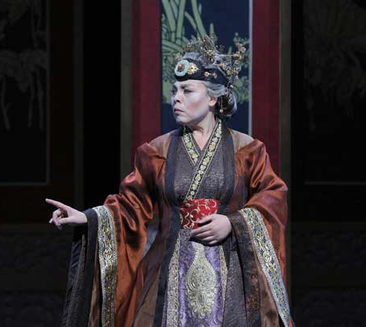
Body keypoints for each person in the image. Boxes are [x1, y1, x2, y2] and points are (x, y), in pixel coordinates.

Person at [46, 35, 294, 327]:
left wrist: (233, 223)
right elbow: (131, 208)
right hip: (169, 275)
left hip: (231, 279)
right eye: (174, 90)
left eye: (187, 90)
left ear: (213, 98)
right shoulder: (157, 151)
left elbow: (273, 197)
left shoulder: (246, 150)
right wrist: (88, 218)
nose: (176, 97)